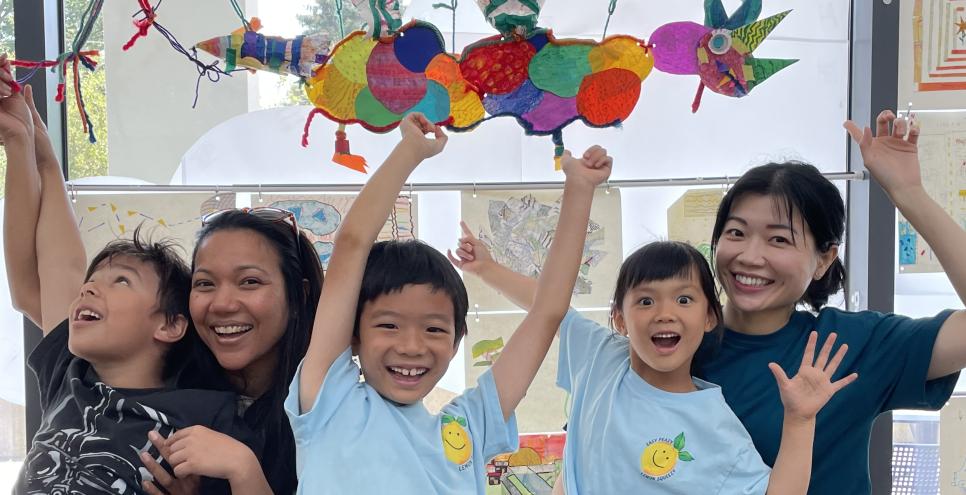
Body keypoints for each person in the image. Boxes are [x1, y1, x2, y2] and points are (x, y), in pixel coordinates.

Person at [451, 110, 966, 493]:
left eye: (779, 239)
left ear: (824, 258)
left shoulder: (846, 346)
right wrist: (488, 271)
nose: (751, 255)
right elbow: (554, 312)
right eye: (736, 232)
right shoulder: (663, 345)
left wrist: (910, 195)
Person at [285, 111, 612, 493]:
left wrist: (580, 189)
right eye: (389, 325)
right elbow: (351, 246)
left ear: (457, 341)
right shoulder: (331, 403)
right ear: (354, 335)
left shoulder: (468, 427)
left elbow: (547, 313)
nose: (412, 346)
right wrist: (410, 152)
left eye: (434, 329)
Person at [0, 59, 257, 494]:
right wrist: (25, 145)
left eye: (120, 281)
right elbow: (57, 262)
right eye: (94, 280)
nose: (88, 287)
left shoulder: (205, 418)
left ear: (170, 324)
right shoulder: (72, 374)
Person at [142, 207, 324, 495]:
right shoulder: (163, 385)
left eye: (249, 282)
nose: (222, 304)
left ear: (298, 296)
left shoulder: (328, 410)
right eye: (205, 284)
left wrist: (242, 468)